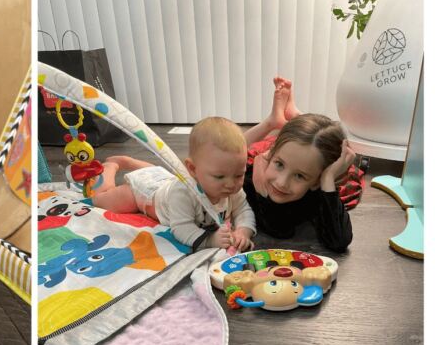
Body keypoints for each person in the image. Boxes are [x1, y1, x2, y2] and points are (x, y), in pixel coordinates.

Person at [91, 116, 256, 252]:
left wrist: (243, 231)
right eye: (219, 177)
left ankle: (131, 162)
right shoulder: (183, 193)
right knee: (102, 201)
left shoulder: (233, 188)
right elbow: (181, 229)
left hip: (165, 181)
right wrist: (210, 240)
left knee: (161, 174)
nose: (231, 184)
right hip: (146, 194)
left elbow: (243, 210)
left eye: (239, 175)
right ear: (192, 169)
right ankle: (111, 166)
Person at [243, 77, 355, 252]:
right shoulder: (251, 177)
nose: (281, 182)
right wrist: (267, 126)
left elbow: (339, 240)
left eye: (299, 176)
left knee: (322, 143)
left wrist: (327, 179)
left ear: (315, 182)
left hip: (299, 159)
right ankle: (276, 121)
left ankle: (295, 116)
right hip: (275, 151)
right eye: (279, 165)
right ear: (271, 155)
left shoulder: (317, 190)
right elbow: (223, 158)